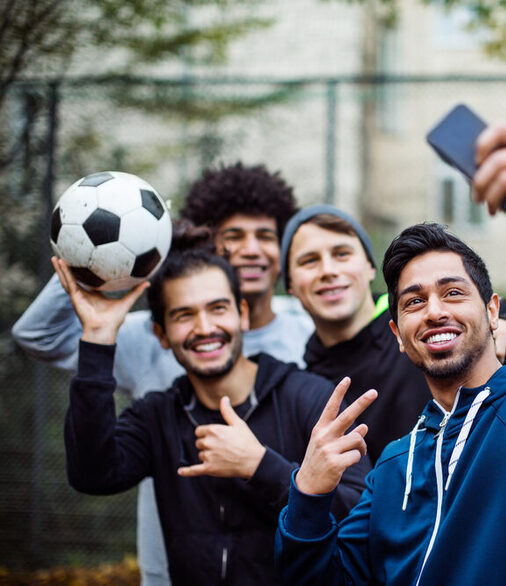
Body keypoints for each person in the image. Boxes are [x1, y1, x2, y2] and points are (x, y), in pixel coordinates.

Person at [275, 123, 506, 585]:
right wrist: (307, 493)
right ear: (398, 333)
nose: (433, 311)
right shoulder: (392, 465)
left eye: (452, 293)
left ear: (493, 311)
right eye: (413, 301)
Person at [12, 163, 313, 585]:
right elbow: (38, 336)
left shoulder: (307, 338)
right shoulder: (153, 342)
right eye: (233, 237)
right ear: (165, 333)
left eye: (265, 236)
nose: (250, 249)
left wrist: (260, 466)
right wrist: (87, 258)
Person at [58, 243, 370, 585]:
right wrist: (98, 340)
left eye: (217, 308)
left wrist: (261, 467)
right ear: (161, 334)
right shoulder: (158, 415)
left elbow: (358, 516)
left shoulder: (310, 398)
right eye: (184, 315)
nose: (205, 328)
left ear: (243, 315)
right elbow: (93, 474)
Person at [279, 204, 506, 462]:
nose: (328, 270)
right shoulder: (306, 385)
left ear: (368, 267)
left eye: (342, 254)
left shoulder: (442, 318)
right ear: (289, 284)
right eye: (309, 261)